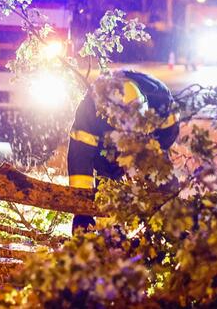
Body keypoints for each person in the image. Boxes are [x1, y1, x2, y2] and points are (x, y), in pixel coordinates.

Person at [67, 69, 178, 231]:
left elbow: (166, 139)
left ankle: (168, 226)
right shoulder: (90, 114)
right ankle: (111, 231)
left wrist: (144, 162)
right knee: (108, 178)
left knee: (161, 180)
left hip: (148, 142)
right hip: (106, 147)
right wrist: (82, 209)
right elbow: (80, 161)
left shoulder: (161, 101)